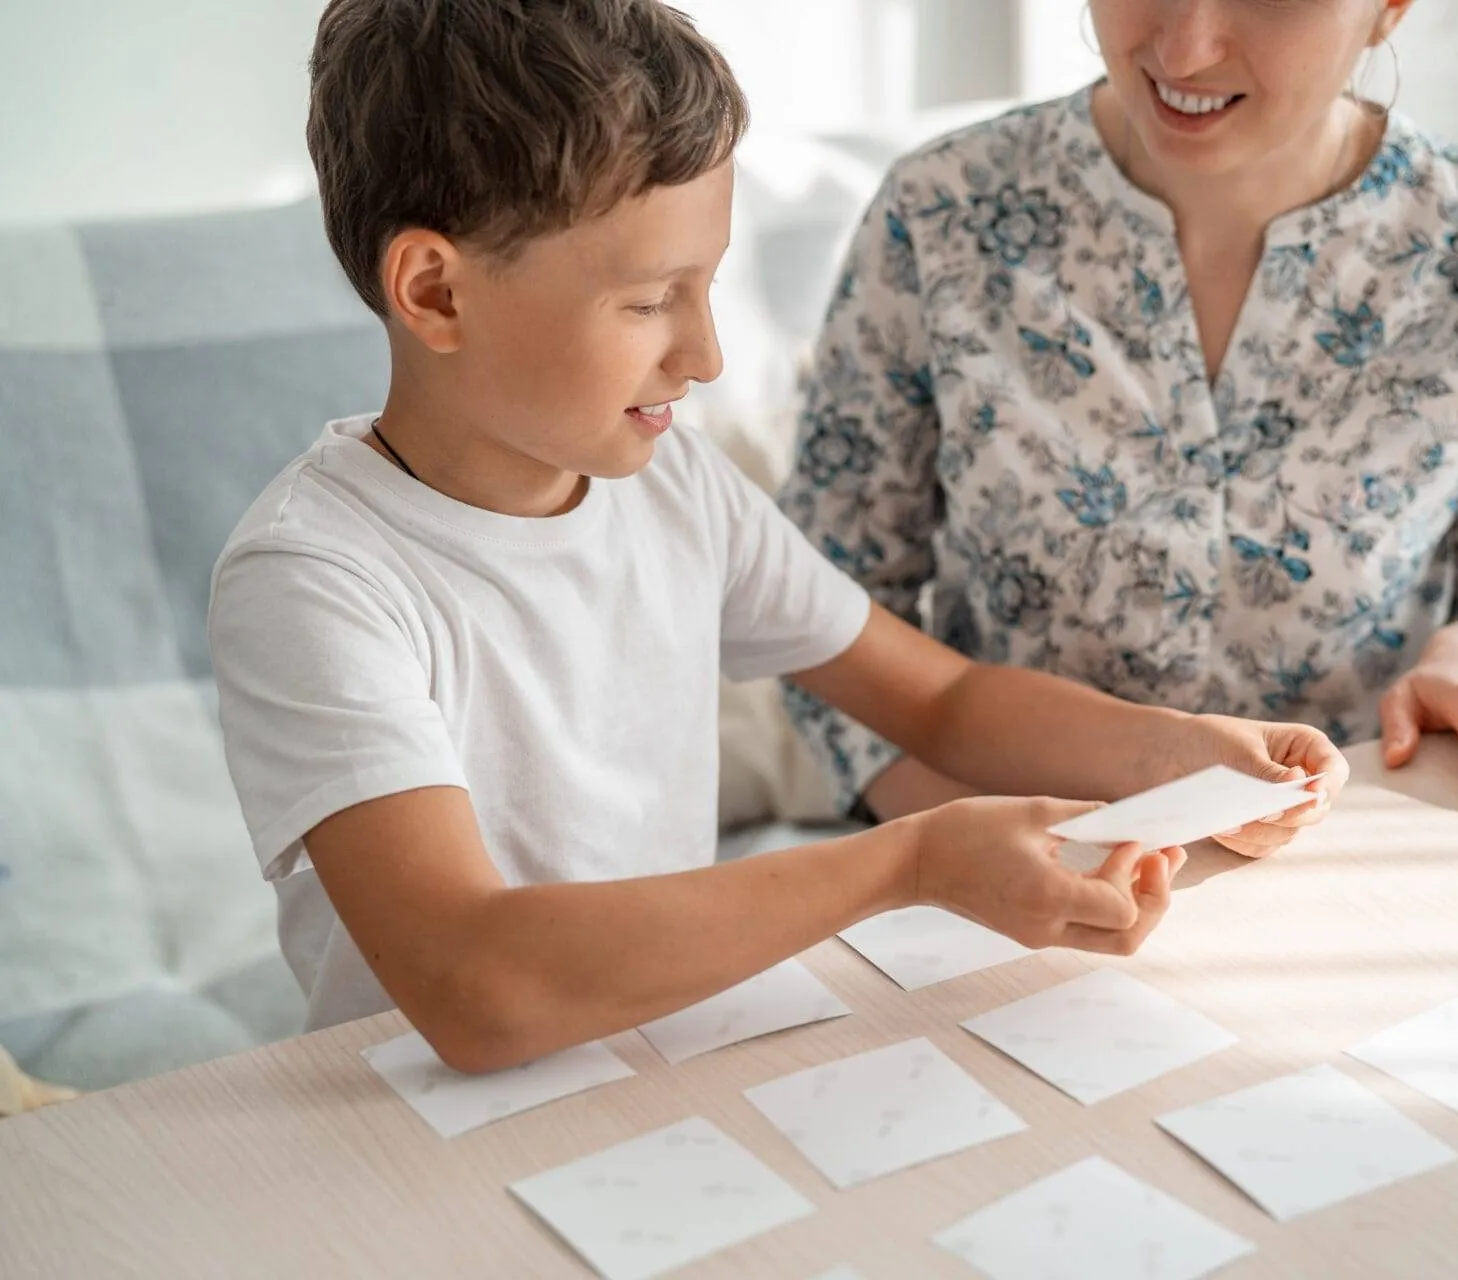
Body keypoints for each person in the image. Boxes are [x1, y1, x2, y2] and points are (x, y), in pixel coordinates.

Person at [207, 0, 1349, 1073]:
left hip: (650, 1064)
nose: (704, 356)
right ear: (436, 294)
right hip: (414, 1126)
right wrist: (909, 862)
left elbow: (941, 700)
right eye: (649, 301)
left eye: (707, 287)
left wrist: (1178, 750)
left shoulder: (675, 486)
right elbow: (476, 986)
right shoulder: (315, 579)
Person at [779, 0, 1458, 827]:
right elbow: (819, 606)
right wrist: (980, 853)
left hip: (1347, 857)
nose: (1184, 50)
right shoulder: (942, 212)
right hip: (990, 865)